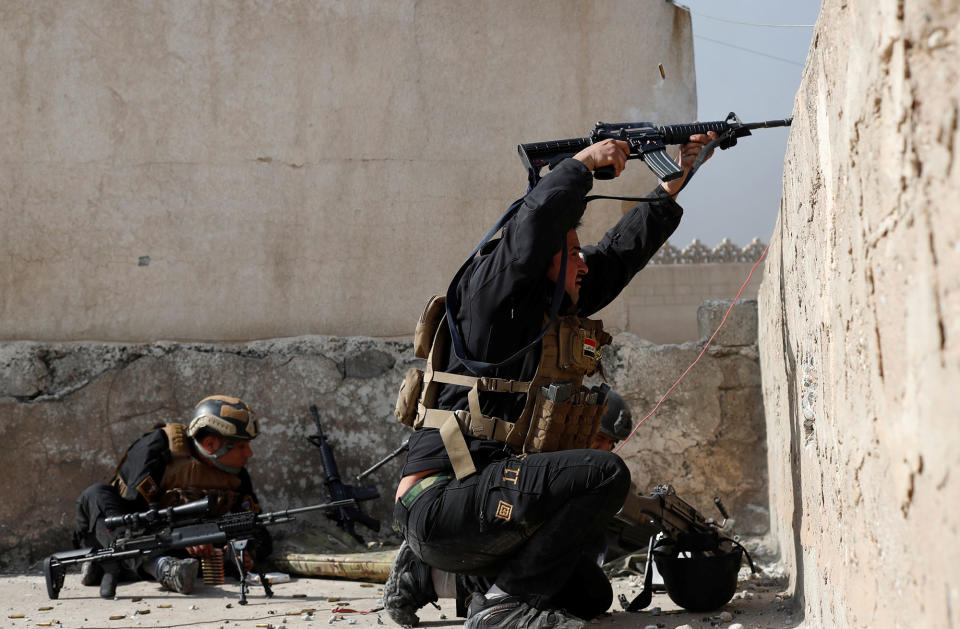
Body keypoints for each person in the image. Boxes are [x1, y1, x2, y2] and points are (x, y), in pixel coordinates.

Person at [385, 131, 716, 629]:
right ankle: (499, 607)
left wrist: (671, 184)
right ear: (539, 261)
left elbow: (616, 258)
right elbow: (531, 227)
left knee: (589, 595)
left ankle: (428, 576)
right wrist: (582, 164)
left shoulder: (538, 311)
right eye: (573, 253)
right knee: (604, 474)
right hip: (438, 500)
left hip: (476, 504)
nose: (585, 263)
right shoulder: (487, 299)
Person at [73, 395, 271, 598]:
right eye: (241, 446)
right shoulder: (156, 450)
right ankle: (153, 566)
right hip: (128, 538)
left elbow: (256, 527)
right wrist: (187, 535)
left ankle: (119, 566)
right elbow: (136, 517)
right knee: (95, 494)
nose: (249, 453)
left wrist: (243, 550)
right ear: (211, 444)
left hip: (183, 550)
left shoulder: (235, 473)